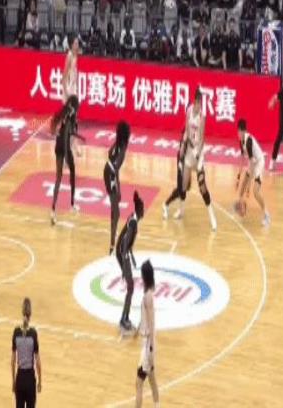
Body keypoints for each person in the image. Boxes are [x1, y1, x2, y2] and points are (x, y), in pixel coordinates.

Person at [179, 88, 218, 231]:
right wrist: (183, 145)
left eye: (201, 103)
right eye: (198, 103)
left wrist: (198, 153)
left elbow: (202, 138)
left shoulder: (202, 116)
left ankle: (212, 216)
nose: (199, 106)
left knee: (202, 187)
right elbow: (186, 130)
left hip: (198, 153)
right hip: (189, 151)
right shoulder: (189, 110)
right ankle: (181, 211)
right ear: (194, 102)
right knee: (184, 184)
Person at [50, 95, 84, 225]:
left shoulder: (65, 113)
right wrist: (66, 157)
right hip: (63, 147)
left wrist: (78, 140)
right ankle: (72, 204)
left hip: (58, 146)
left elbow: (68, 133)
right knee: (71, 172)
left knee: (59, 177)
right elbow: (66, 137)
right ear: (75, 107)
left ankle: (53, 210)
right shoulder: (71, 118)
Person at [116, 191, 144, 332]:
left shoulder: (133, 218)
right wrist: (125, 259)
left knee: (130, 288)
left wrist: (130, 256)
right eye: (143, 209)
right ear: (139, 210)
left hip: (122, 253)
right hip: (122, 254)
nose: (144, 211)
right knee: (131, 288)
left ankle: (125, 318)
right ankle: (123, 319)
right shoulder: (133, 222)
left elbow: (126, 239)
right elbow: (126, 241)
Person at [236, 119, 271, 226]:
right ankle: (242, 208)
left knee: (255, 192)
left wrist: (249, 185)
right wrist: (238, 177)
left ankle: (266, 214)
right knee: (241, 189)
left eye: (238, 131)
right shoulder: (241, 141)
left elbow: (252, 163)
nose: (237, 134)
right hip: (252, 163)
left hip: (259, 163)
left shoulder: (249, 141)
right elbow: (243, 159)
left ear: (241, 131)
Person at [135, 260, 160, 408]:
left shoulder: (147, 297)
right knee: (152, 380)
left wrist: (150, 349)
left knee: (138, 383)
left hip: (147, 345)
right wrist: (137, 329)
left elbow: (151, 324)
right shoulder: (149, 294)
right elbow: (146, 319)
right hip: (148, 344)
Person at [104, 121, 131, 254]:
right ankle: (112, 246)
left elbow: (109, 153)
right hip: (111, 175)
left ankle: (113, 235)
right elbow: (115, 169)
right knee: (116, 211)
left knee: (116, 211)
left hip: (106, 170)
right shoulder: (123, 149)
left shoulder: (117, 142)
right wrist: (118, 188)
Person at [11, 298, 42, 408]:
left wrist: (13, 381)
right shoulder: (33, 334)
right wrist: (40, 381)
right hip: (30, 380)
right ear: (30, 314)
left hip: (19, 378)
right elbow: (38, 362)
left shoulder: (16, 332)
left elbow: (13, 361)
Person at [162, 128, 188, 219]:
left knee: (184, 189)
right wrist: (180, 165)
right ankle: (166, 205)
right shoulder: (183, 141)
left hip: (187, 166)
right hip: (182, 165)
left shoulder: (192, 139)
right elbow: (180, 154)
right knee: (181, 189)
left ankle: (179, 210)